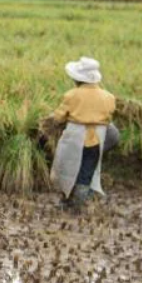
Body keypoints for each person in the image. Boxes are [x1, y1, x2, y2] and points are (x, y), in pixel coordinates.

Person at [49, 56, 116, 212]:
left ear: (78, 79)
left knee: (67, 168)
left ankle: (67, 200)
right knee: (87, 170)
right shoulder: (108, 97)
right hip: (98, 138)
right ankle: (78, 204)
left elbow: (58, 117)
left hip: (75, 136)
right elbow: (108, 116)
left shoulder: (72, 95)